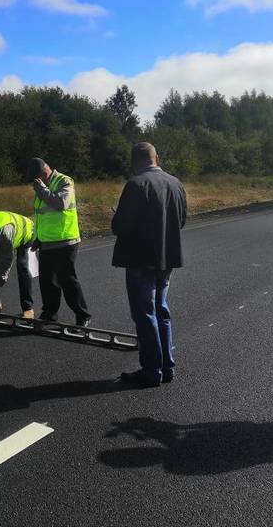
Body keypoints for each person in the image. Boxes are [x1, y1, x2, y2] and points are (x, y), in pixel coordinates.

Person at [111, 142, 187, 388]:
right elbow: (181, 220)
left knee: (145, 314)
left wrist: (116, 216)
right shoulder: (175, 183)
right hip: (166, 257)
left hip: (140, 259)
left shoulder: (136, 184)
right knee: (161, 310)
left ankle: (151, 370)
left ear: (134, 162)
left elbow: (121, 226)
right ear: (157, 157)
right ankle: (167, 366)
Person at [24, 157, 91, 328]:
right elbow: (43, 216)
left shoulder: (64, 181)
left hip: (65, 241)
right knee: (47, 281)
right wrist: (38, 238)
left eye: (35, 178)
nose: (34, 183)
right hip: (47, 242)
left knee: (67, 280)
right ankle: (49, 315)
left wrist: (43, 189)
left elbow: (60, 204)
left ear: (43, 173)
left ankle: (82, 315)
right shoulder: (42, 187)